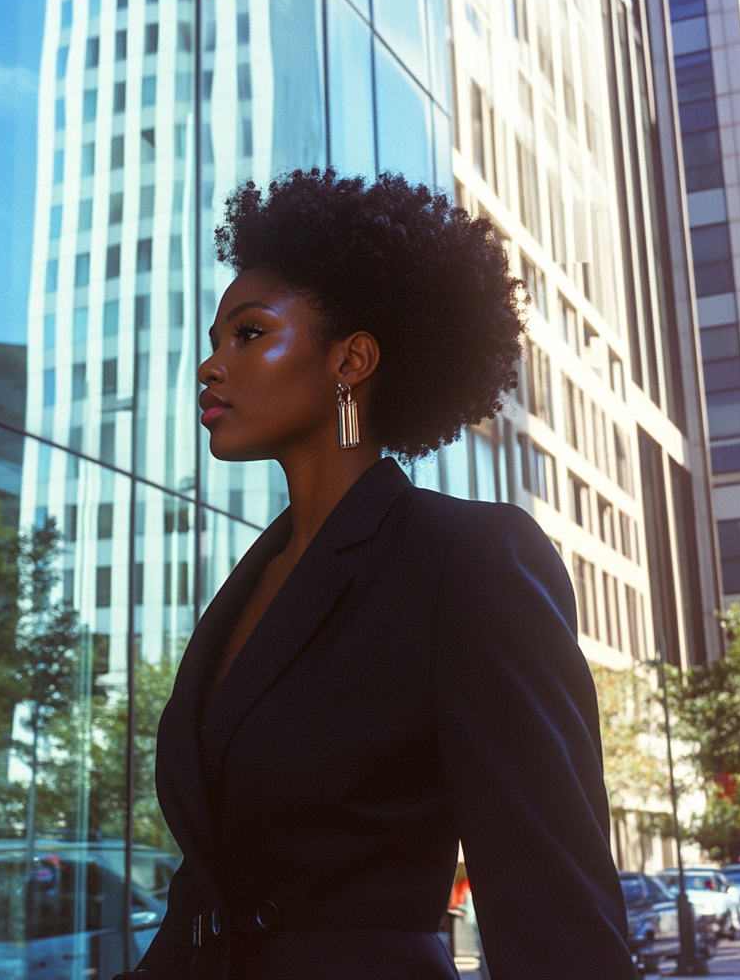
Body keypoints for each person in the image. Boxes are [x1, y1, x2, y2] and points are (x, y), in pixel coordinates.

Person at [114, 170, 637, 979]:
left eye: (248, 334)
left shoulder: (466, 559)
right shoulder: (251, 585)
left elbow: (556, 914)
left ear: (351, 359)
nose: (210, 367)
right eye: (215, 340)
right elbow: (207, 903)